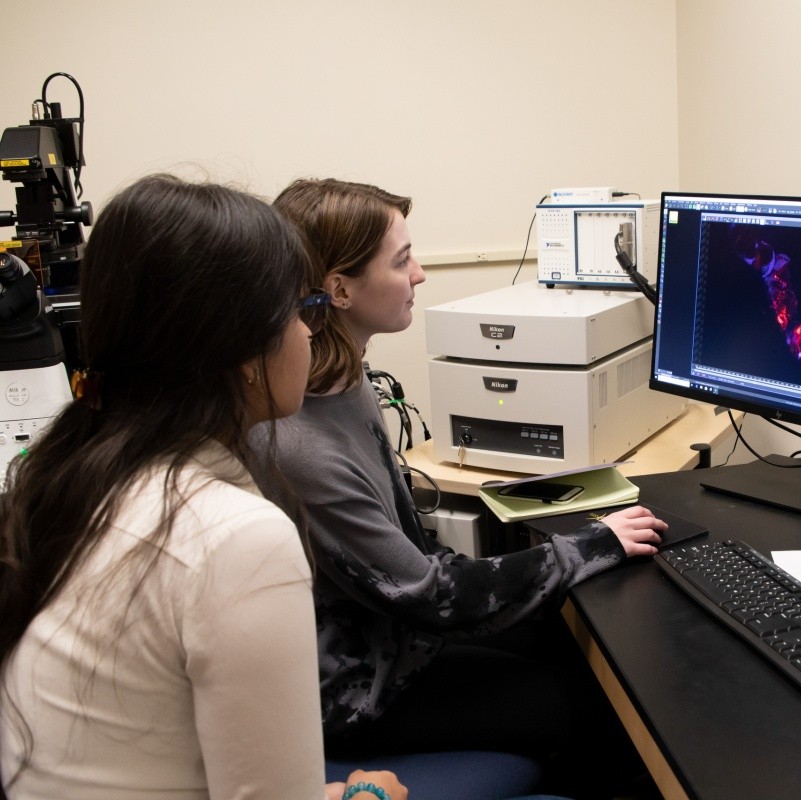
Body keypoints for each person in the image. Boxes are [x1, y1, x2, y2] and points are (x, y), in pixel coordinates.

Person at [251, 177, 667, 796]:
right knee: (593, 706)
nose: (419, 273)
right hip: (357, 688)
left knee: (579, 648)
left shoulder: (343, 379)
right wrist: (588, 546)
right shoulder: (299, 443)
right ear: (338, 290)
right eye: (402, 260)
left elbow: (411, 550)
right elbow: (426, 592)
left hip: (396, 639)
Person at [0, 174, 405, 800]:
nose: (307, 332)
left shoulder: (69, 476)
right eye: (303, 312)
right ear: (243, 353)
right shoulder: (236, 538)